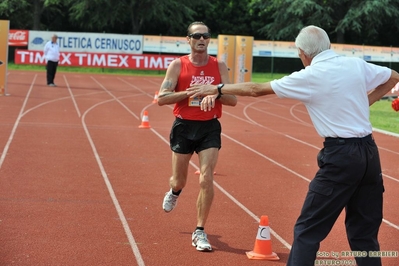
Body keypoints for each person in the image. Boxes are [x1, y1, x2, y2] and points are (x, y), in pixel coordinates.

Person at [187, 25, 399, 265]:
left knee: (307, 231)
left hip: (341, 157)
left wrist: (217, 88)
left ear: (303, 53)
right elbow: (393, 76)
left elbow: (256, 89)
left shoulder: (310, 76)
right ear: (328, 46)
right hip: (370, 155)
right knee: (364, 234)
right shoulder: (355, 64)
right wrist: (365, 102)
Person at [158, 21, 237, 252]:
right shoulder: (177, 65)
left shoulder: (219, 65)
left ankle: (200, 231)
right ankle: (174, 192)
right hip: (183, 127)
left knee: (205, 177)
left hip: (209, 128)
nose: (201, 39)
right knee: (179, 180)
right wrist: (190, 92)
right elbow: (162, 97)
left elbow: (233, 99)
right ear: (188, 39)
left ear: (209, 39)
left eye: (205, 36)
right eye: (197, 36)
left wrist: (215, 92)